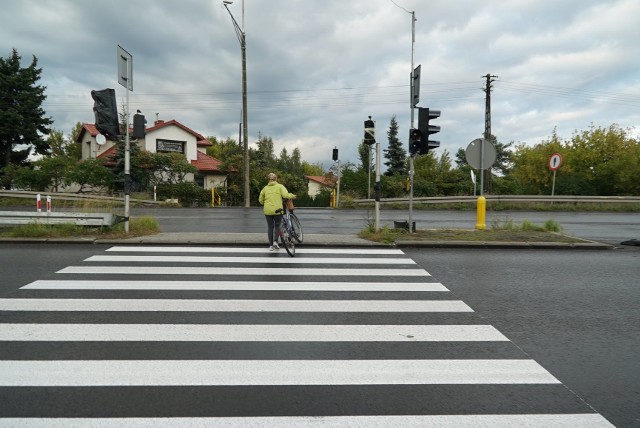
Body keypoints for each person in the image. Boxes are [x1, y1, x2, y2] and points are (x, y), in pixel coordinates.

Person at [258, 173, 296, 251]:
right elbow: (285, 195)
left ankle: (271, 245)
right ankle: (275, 241)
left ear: (268, 180)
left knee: (270, 227)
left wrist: (264, 203)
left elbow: (260, 200)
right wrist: (292, 195)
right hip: (277, 209)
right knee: (277, 225)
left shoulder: (265, 188)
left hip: (267, 210)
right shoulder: (280, 186)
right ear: (276, 179)